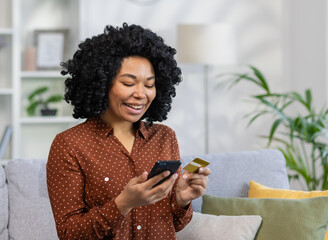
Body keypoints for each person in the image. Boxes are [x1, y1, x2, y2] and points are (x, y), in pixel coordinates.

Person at [46, 23, 211, 240]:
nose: (141, 94)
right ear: (102, 82)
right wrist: (123, 203)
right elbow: (69, 233)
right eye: (128, 83)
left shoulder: (164, 137)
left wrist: (181, 199)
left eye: (149, 85)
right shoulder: (70, 145)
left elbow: (175, 224)